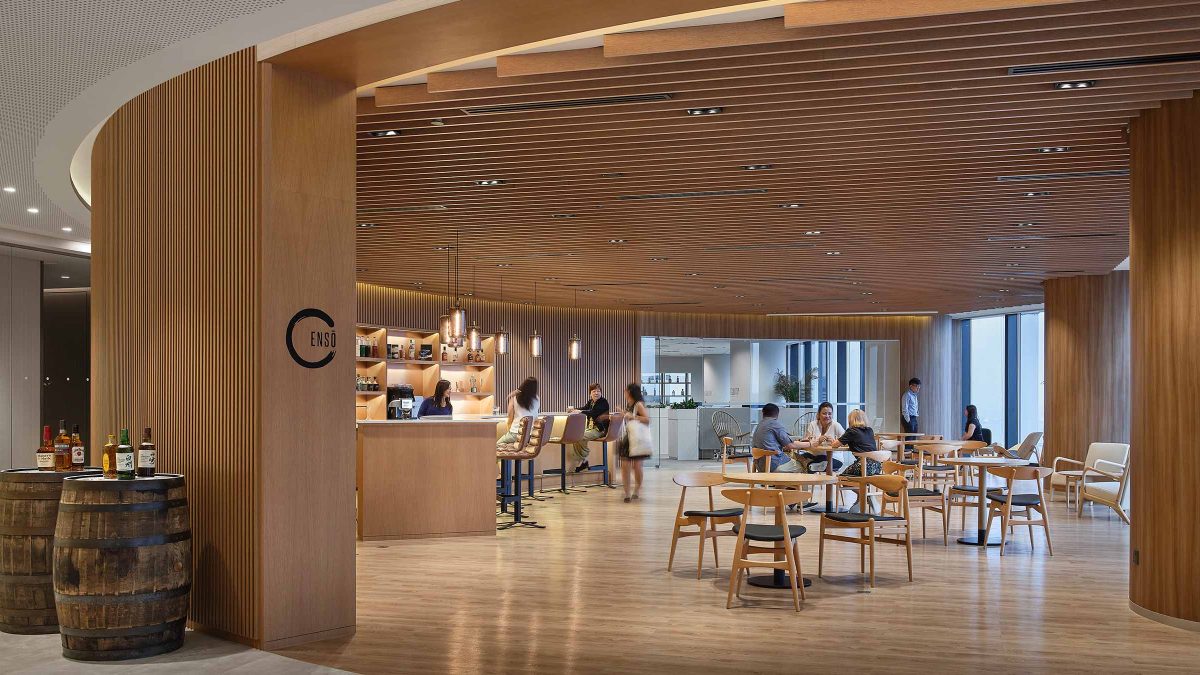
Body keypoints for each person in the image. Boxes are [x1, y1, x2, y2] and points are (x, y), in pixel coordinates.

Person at [615, 383, 652, 503]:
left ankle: (636, 489)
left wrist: (633, 416)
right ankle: (627, 493)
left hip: (637, 440)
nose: (624, 392)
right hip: (628, 438)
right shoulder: (629, 405)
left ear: (630, 392)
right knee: (625, 466)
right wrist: (624, 413)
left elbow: (647, 420)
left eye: (626, 390)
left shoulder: (638, 404)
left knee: (637, 466)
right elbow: (629, 417)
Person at [567, 383, 609, 472]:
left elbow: (593, 412)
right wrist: (574, 409)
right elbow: (585, 408)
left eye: (598, 391)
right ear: (590, 393)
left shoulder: (603, 402)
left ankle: (583, 458)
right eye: (594, 391)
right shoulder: (591, 402)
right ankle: (584, 461)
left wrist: (579, 411)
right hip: (591, 428)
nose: (596, 393)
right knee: (576, 436)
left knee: (581, 436)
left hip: (600, 430)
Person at [795, 401, 846, 473]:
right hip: (815, 455)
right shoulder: (813, 424)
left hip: (834, 458)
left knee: (815, 464)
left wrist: (836, 442)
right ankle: (811, 465)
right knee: (796, 457)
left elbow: (846, 442)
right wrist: (817, 440)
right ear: (819, 414)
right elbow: (806, 442)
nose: (827, 416)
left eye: (830, 414)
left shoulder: (836, 425)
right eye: (824, 413)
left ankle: (809, 465)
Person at [750, 403, 804, 472]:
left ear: (763, 413)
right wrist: (811, 444)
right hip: (774, 465)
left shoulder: (759, 425)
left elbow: (782, 439)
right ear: (777, 414)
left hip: (760, 466)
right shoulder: (774, 424)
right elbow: (790, 445)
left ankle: (778, 482)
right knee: (803, 465)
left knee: (791, 458)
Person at [832, 409, 881, 477]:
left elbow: (835, 445)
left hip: (863, 466)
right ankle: (861, 486)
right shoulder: (870, 430)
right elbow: (861, 442)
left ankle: (860, 486)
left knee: (841, 477)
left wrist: (832, 441)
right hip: (877, 467)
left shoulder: (851, 431)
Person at [496, 377, 540, 449]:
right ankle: (526, 459)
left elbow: (510, 416)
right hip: (532, 436)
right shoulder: (537, 399)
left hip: (516, 433)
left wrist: (512, 395)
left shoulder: (515, 398)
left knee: (496, 446)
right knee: (510, 446)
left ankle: (505, 459)